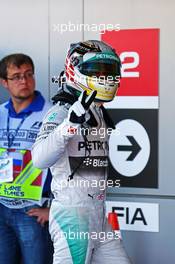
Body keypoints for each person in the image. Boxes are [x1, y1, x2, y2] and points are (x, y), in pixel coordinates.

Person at [32, 40, 131, 264]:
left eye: (109, 72)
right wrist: (70, 124)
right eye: (97, 71)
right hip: (72, 216)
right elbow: (39, 159)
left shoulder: (95, 109)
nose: (105, 78)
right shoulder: (62, 111)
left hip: (98, 213)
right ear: (75, 68)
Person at [0, 53, 53, 264]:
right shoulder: (0, 113)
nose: (24, 81)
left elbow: (69, 165)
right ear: (4, 82)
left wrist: (53, 209)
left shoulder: (51, 115)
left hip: (32, 210)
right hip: (1, 207)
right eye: (16, 76)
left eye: (29, 74)